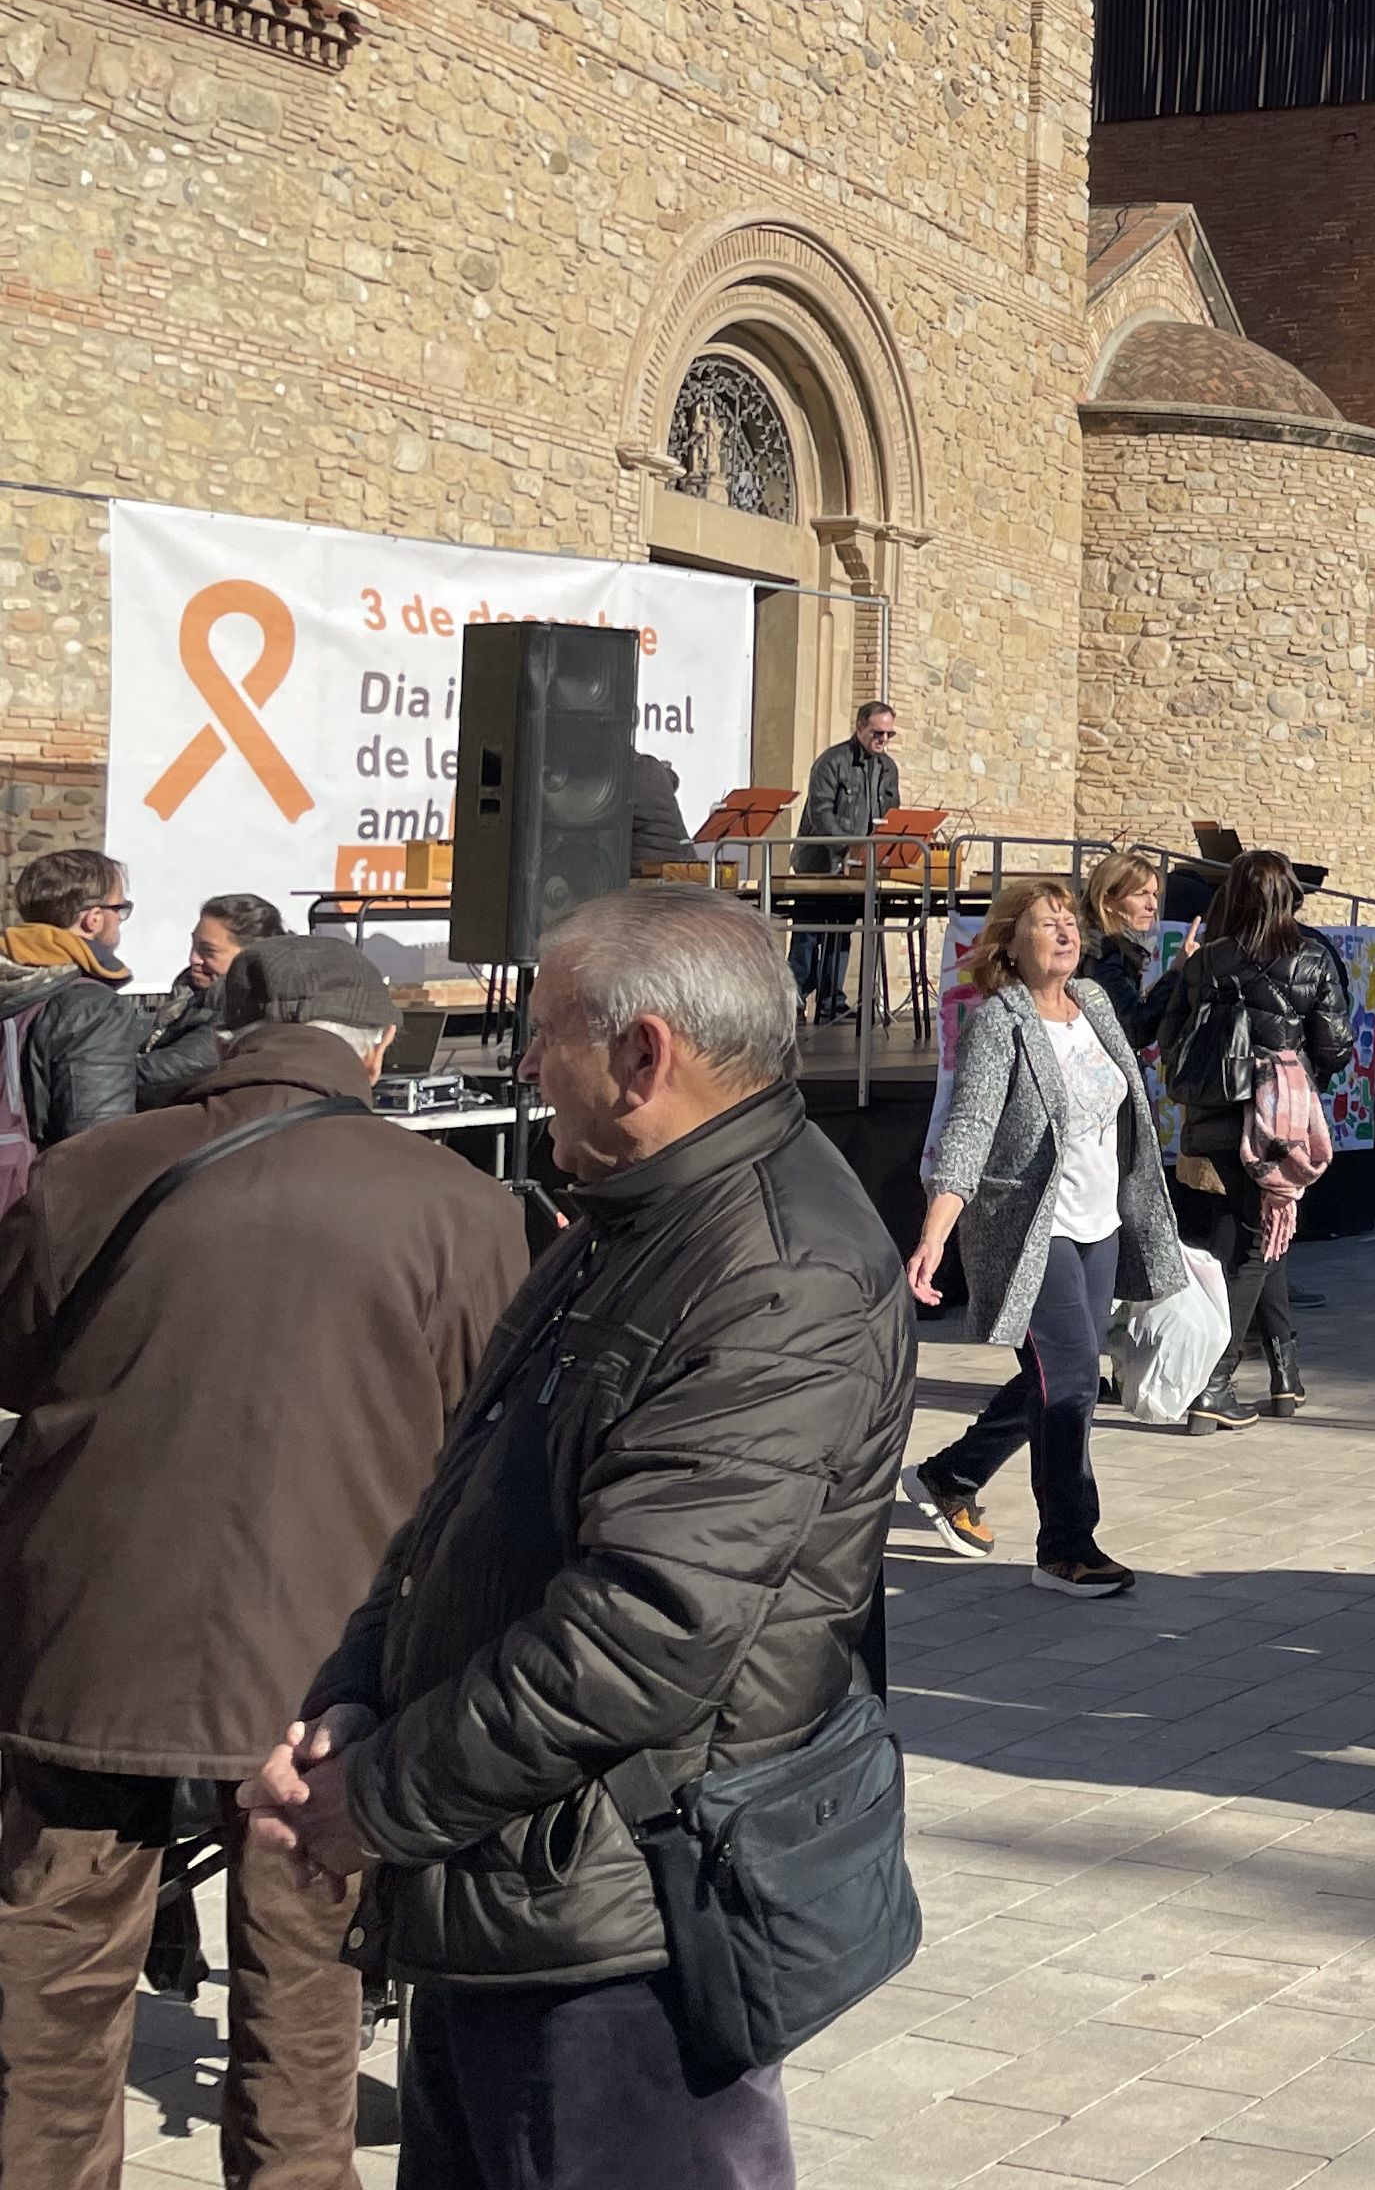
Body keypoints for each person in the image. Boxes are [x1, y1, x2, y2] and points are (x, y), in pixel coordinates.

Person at [239, 883, 912, 2180]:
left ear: (644, 1053)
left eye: (549, 1035)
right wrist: (354, 1695)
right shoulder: (627, 1216)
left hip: (629, 1933)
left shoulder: (781, 1275)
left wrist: (372, 1802)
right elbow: (459, 1499)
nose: (528, 1065)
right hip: (501, 1878)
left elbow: (645, 1634)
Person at [0, 935, 526, 2189]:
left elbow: (10, 1366)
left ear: (223, 1037)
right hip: (324, 1662)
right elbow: (491, 1449)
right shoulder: (461, 1207)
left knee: (50, 1989)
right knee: (308, 1996)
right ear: (380, 1047)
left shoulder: (85, 1173)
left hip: (86, 1639)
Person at [903, 878, 1189, 1600]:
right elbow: (968, 1129)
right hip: (1032, 1229)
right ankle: (1066, 1545)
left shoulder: (1093, 1004)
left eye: (1068, 921)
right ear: (1009, 943)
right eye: (1044, 923)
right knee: (1066, 1379)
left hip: (1101, 1223)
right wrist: (936, 1231)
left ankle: (953, 1473)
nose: (1064, 932)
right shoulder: (1000, 1019)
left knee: (1068, 1377)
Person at [1152, 850, 1355, 1430]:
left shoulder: (1207, 960)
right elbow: (1337, 1045)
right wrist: (1296, 1071)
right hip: (1277, 1122)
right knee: (1250, 1250)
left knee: (1258, 1237)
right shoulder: (1313, 957)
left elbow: (1170, 1036)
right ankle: (1212, 1384)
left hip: (1213, 1117)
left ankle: (1285, 1374)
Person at [4, 848, 145, 1176]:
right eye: (119, 908)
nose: (119, 920)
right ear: (93, 918)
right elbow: (96, 1143)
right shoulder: (90, 1006)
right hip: (24, 1204)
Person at [789, 698, 902, 1025]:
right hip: (819, 863)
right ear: (860, 728)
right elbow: (820, 813)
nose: (883, 740)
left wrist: (880, 851)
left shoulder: (887, 768)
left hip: (858, 867)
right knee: (809, 932)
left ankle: (830, 1001)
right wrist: (848, 847)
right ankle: (792, 998)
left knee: (843, 932)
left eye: (889, 735)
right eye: (877, 733)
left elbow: (890, 816)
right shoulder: (832, 761)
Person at [134, 888, 288, 1107]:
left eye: (208, 951)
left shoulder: (243, 1012)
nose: (193, 958)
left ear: (250, 956)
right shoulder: (190, 998)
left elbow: (170, 1072)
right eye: (194, 945)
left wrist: (97, 1074)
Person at [1076, 848, 1176, 1049]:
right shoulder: (1102, 953)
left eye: (1155, 894)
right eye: (1141, 894)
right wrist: (1176, 973)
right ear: (1108, 900)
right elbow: (1134, 1028)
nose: (1153, 905)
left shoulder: (1118, 947)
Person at [627, 748, 689, 870]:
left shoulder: (619, 776)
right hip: (683, 865)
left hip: (647, 872)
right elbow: (672, 779)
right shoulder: (652, 767)